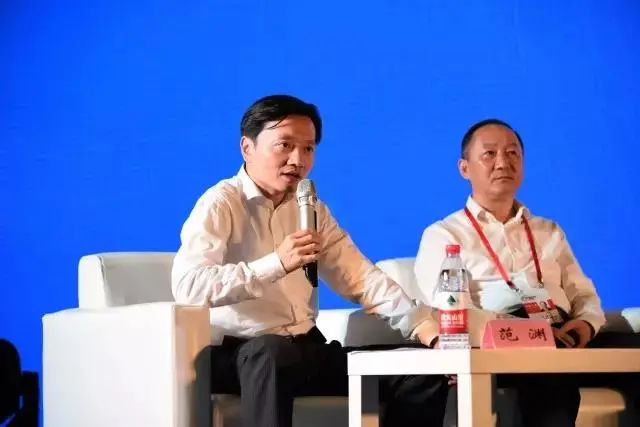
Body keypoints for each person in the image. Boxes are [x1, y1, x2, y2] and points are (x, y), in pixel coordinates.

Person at [171, 94, 448, 427]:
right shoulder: (221, 203)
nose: (297, 160)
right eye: (285, 145)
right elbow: (189, 287)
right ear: (247, 147)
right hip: (241, 354)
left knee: (420, 372)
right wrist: (276, 263)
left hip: (304, 349)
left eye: (308, 149)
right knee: (270, 353)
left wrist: (425, 329)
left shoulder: (311, 208)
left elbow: (361, 277)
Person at [413, 118, 608, 426]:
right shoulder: (444, 235)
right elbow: (448, 313)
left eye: (513, 153)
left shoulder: (549, 230)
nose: (503, 163)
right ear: (464, 168)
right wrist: (531, 335)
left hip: (562, 334)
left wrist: (585, 324)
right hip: (500, 344)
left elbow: (583, 294)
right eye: (489, 154)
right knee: (547, 375)